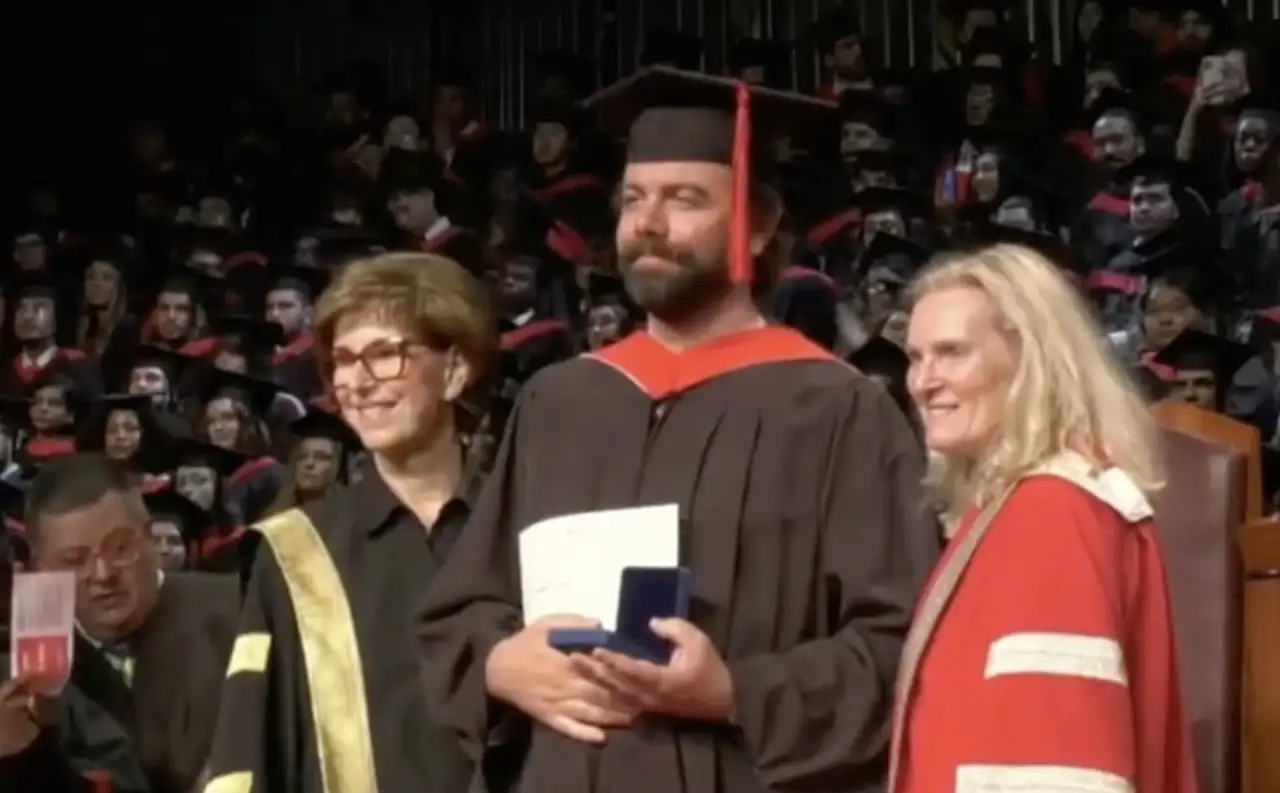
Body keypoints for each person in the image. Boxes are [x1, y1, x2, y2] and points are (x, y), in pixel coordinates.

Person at [419, 67, 940, 793]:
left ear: (757, 228)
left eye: (684, 199)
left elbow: (904, 649)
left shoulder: (834, 409)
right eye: (634, 200)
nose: (649, 223)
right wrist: (502, 662)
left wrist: (734, 691)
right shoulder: (559, 401)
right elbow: (463, 606)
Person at [890, 243, 1197, 793]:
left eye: (952, 352)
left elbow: (1055, 770)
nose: (922, 381)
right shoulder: (1027, 506)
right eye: (915, 357)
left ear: (1031, 359)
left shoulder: (1048, 514)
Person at [202, 251, 498, 793]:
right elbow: (250, 747)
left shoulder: (523, 529)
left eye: (385, 356)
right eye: (342, 360)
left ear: (454, 371)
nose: (355, 383)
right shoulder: (297, 552)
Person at [2, 452, 239, 793]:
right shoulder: (30, 671)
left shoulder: (239, 611)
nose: (103, 574)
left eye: (120, 548)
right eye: (75, 560)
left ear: (150, 538)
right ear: (43, 569)